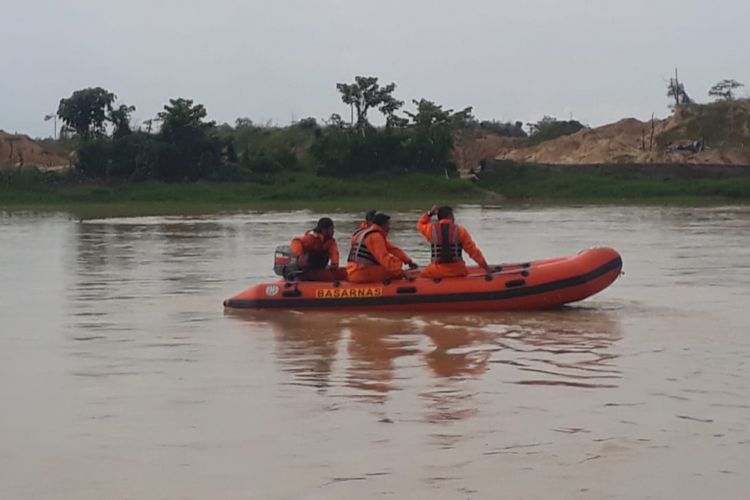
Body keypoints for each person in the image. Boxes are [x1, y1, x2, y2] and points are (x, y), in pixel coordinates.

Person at [416, 205, 491, 278]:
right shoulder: (460, 231)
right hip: (458, 271)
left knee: (423, 274)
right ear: (451, 216)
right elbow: (473, 251)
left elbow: (420, 224)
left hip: (436, 271)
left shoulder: (430, 230)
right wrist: (486, 267)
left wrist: (430, 214)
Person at [347, 213, 416, 283]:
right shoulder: (375, 236)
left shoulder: (362, 233)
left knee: (394, 263)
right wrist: (401, 272)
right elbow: (384, 258)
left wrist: (408, 261)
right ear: (383, 225)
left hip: (353, 270)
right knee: (396, 263)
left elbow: (393, 249)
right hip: (362, 272)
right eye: (388, 224)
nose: (389, 227)